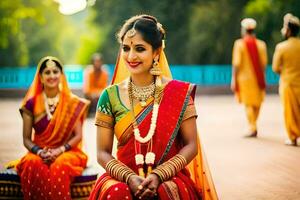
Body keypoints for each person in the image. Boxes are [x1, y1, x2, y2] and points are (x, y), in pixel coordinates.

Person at [89, 14, 217, 200]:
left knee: (166, 192)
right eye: (126, 48)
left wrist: (158, 175)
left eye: (140, 49)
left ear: (156, 52)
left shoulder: (179, 93)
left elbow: (191, 146)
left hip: (169, 176)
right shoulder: (109, 96)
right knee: (117, 192)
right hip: (122, 177)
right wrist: (129, 177)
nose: (131, 56)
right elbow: (102, 152)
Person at [16, 56, 90, 200]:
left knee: (60, 164)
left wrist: (59, 150)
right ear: (41, 78)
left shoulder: (71, 102)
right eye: (47, 72)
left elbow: (78, 135)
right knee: (33, 163)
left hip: (67, 151)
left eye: (55, 72)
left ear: (61, 76)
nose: (52, 76)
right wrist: (39, 152)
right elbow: (26, 139)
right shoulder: (31, 104)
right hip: (39, 151)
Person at [231, 18, 268, 137]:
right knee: (256, 104)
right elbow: (264, 64)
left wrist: (233, 78)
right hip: (258, 79)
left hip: (244, 80)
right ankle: (253, 125)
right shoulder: (261, 44)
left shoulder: (239, 44)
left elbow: (236, 64)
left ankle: (252, 127)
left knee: (249, 105)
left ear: (244, 30)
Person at [272, 13, 300, 146]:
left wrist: (285, 72)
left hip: (288, 83)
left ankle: (293, 137)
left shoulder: (281, 47)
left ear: (288, 31)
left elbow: (275, 67)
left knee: (290, 111)